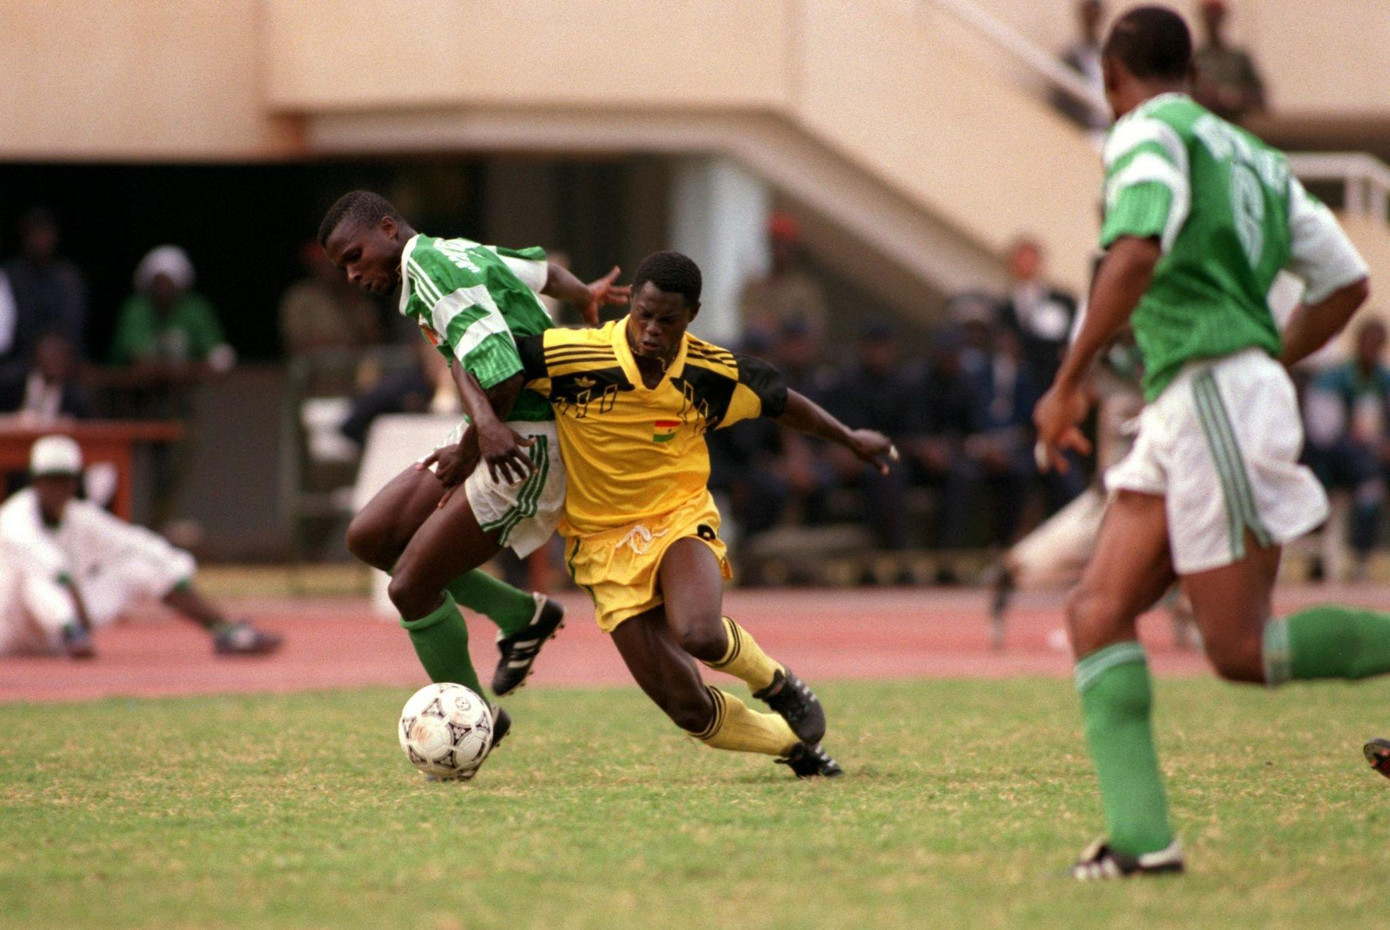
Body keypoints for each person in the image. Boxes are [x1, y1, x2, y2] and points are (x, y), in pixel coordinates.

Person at [1033, 6, 1376, 880]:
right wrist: (1269, 355)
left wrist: (1068, 379)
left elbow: (1138, 249)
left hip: (1213, 391)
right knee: (1096, 612)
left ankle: (1146, 844)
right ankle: (1144, 843)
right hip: (1195, 398)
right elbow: (1344, 281)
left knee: (1240, 650)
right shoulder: (1254, 155)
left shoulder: (1146, 132)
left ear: (1114, 79)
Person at [516, 251, 898, 777]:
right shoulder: (570, 355)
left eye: (667, 320)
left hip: (677, 518)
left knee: (699, 631)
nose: (651, 329)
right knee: (689, 708)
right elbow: (487, 366)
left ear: (691, 315)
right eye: (643, 314)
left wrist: (849, 438)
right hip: (599, 542)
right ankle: (793, 748)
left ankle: (777, 683)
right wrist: (476, 439)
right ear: (632, 303)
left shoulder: (710, 371)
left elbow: (785, 402)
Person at [317, 190, 630, 743]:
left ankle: (474, 725)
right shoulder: (452, 250)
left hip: (526, 442)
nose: (351, 274)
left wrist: (470, 447)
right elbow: (541, 272)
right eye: (343, 266)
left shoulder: (431, 267)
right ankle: (521, 616)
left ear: (388, 229)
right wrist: (587, 294)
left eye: (354, 256)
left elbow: (503, 371)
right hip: (491, 428)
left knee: (411, 588)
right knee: (371, 537)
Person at [0, 435, 280, 658]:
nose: (57, 488)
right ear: (36, 481)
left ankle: (226, 631)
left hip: (73, 624)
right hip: (15, 628)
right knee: (37, 576)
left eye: (64, 480)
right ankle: (72, 635)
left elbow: (133, 542)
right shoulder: (14, 516)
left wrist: (175, 567)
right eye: (51, 480)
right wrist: (74, 617)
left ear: (74, 483)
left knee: (138, 564)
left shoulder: (80, 516)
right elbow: (48, 564)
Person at [1302, 320, 1390, 579]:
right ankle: (1352, 558)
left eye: (1378, 344)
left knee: (1371, 480)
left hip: (1371, 460)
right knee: (1368, 480)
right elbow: (1324, 436)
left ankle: (1363, 556)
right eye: (1367, 343)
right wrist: (1366, 447)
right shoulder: (1333, 380)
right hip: (1332, 461)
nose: (1371, 350)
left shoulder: (1382, 381)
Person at [1, 208, 87, 382]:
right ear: (24, 237)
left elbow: (73, 324)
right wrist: (37, 354)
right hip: (21, 360)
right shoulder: (10, 275)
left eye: (45, 233)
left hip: (65, 361)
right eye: (35, 234)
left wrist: (55, 353)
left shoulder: (68, 276)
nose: (40, 240)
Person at [278, 241, 382, 357]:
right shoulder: (300, 297)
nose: (327, 269)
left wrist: (351, 301)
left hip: (351, 369)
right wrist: (338, 344)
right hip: (314, 370)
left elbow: (375, 341)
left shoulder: (356, 297)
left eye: (331, 264)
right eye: (322, 263)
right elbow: (295, 344)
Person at [737, 213, 829, 341]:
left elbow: (814, 329)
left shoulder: (805, 291)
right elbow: (747, 322)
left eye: (784, 245)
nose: (779, 250)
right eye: (775, 244)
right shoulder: (753, 287)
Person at [1192, 0, 1266, 125]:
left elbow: (1259, 94)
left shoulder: (1238, 59)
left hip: (1236, 123)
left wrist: (1233, 98)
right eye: (1208, 15)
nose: (1212, 20)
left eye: (1216, 15)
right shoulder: (1194, 59)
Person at [0, 332, 95, 422]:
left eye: (59, 356)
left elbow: (91, 426)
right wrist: (14, 419)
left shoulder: (76, 395)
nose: (54, 360)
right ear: (36, 356)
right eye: (49, 354)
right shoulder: (11, 383)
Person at [1051, 0, 1110, 135]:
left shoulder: (1107, 58)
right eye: (1088, 14)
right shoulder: (1070, 59)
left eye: (1094, 15)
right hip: (1081, 132)